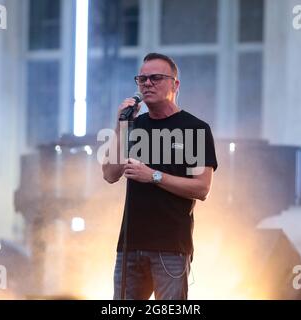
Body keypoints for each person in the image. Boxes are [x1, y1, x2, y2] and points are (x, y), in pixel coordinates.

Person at [102, 53, 218, 300]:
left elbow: (202, 188)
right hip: (129, 246)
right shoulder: (134, 126)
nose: (147, 84)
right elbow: (110, 174)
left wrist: (153, 175)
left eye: (155, 78)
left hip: (170, 248)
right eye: (142, 79)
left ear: (175, 84)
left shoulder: (194, 129)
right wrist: (121, 126)